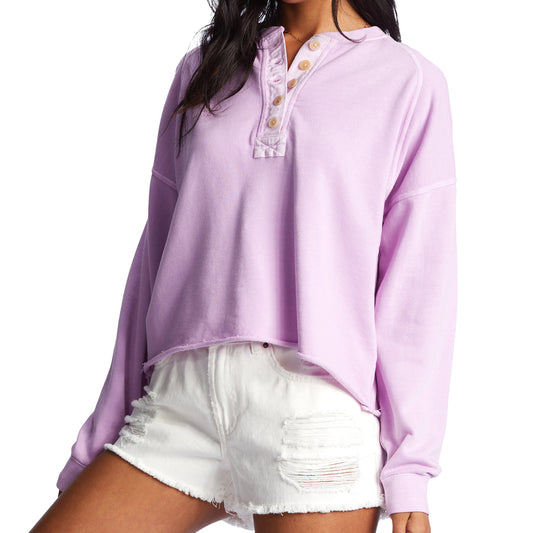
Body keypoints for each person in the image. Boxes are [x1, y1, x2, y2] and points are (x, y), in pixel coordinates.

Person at [30, 0, 457, 532]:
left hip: (313, 415)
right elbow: (156, 257)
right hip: (179, 403)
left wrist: (410, 470)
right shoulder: (205, 67)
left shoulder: (408, 82)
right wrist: (102, 433)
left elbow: (417, 290)